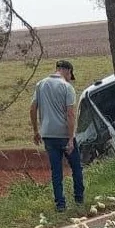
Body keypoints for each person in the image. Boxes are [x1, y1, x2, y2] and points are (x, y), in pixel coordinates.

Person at [29, 60, 84, 212]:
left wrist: (36, 131)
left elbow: (33, 109)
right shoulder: (67, 87)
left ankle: (60, 205)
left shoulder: (40, 85)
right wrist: (71, 138)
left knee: (56, 171)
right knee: (76, 167)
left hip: (48, 135)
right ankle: (79, 199)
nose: (69, 77)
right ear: (68, 71)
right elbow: (71, 114)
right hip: (64, 135)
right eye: (70, 74)